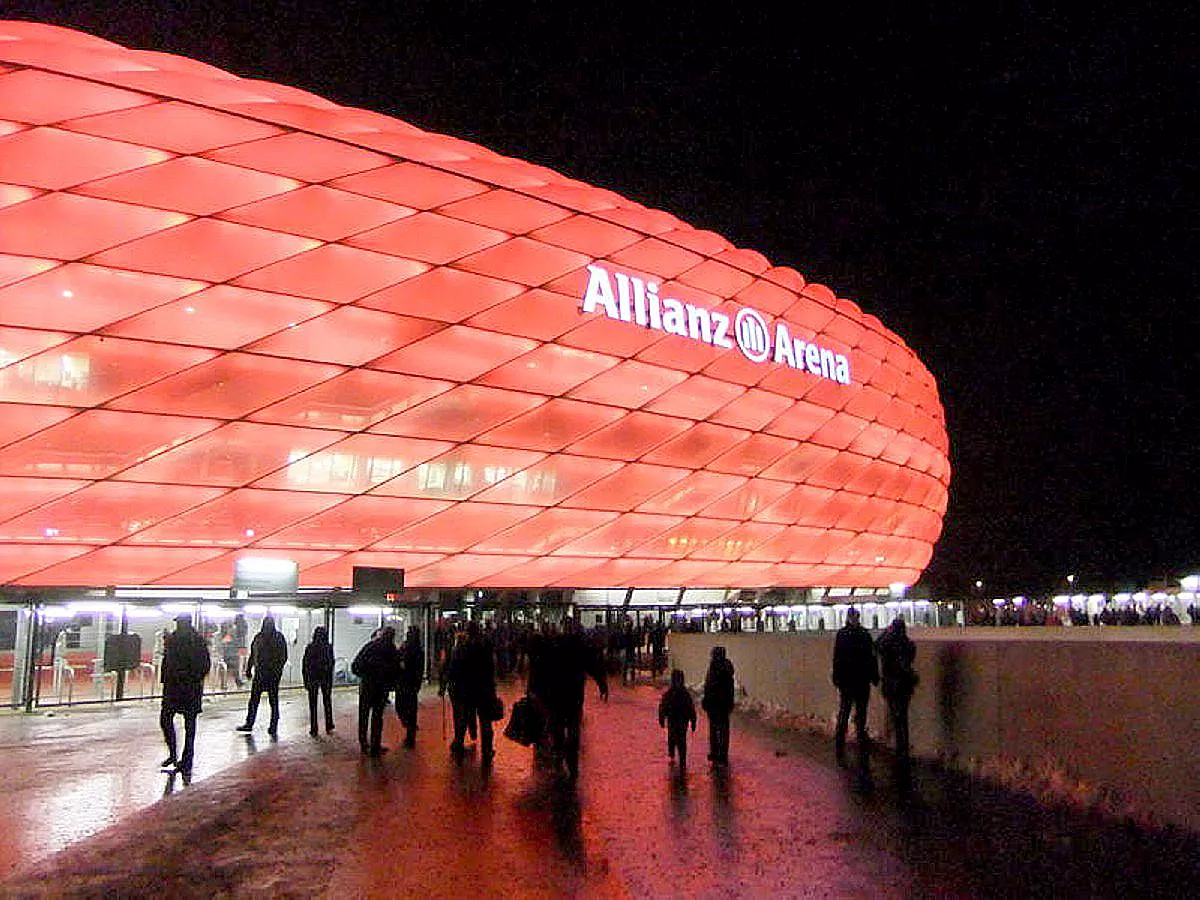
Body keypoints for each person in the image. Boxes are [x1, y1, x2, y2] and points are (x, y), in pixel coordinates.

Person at [159, 614, 211, 778]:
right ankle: (181, 757)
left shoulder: (184, 641)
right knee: (188, 725)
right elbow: (205, 664)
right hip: (188, 688)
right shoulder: (196, 641)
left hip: (178, 687)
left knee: (168, 719)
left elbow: (167, 662)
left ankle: (178, 756)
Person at [440, 621, 498, 763]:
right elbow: (490, 669)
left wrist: (447, 684)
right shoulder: (485, 647)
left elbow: (455, 668)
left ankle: (459, 742)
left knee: (464, 717)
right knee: (485, 722)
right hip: (483, 688)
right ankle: (487, 750)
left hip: (467, 689)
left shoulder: (462, 648)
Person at [832, 607, 879, 772]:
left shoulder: (842, 635)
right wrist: (874, 676)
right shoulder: (864, 635)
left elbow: (837, 658)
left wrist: (837, 677)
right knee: (860, 712)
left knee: (845, 711)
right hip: (861, 680)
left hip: (847, 681)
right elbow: (871, 658)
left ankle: (840, 742)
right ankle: (860, 740)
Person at [236, 616, 288, 737]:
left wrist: (249, 669)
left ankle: (250, 723)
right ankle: (272, 725)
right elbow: (283, 656)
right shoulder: (278, 637)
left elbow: (253, 654)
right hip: (269, 674)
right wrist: (278, 669)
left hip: (262, 673)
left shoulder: (259, 637)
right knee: (272, 700)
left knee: (256, 700)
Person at [875, 616, 917, 765]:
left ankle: (897, 744)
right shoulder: (909, 645)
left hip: (891, 684)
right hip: (905, 684)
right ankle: (903, 745)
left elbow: (877, 645)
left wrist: (886, 632)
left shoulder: (887, 644)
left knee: (894, 714)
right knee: (903, 716)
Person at [352, 626, 399, 756]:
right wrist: (391, 684)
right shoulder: (392, 650)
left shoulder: (370, 646)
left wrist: (365, 675)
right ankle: (375, 745)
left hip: (367, 686)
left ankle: (363, 743)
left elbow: (355, 666)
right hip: (381, 688)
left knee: (364, 714)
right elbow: (396, 670)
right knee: (377, 717)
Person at [701, 645, 735, 766]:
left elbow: (710, 687)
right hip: (722, 704)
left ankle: (717, 752)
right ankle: (721, 753)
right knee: (722, 729)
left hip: (716, 703)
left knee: (715, 729)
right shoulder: (726, 669)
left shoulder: (715, 669)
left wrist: (706, 699)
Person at [658, 668, 697, 769]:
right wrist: (693, 721)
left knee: (673, 738)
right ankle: (681, 759)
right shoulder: (685, 694)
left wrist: (662, 718)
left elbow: (663, 707)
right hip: (682, 721)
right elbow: (691, 708)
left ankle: (673, 755)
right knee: (681, 740)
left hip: (673, 720)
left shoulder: (670, 693)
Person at [302, 625, 335, 737]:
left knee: (313, 704)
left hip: (313, 677)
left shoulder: (310, 647)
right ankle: (329, 724)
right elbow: (332, 663)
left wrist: (305, 680)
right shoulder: (328, 647)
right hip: (325, 677)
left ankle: (314, 727)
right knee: (327, 702)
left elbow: (305, 664)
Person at [396, 625, 425, 748]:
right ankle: (410, 729)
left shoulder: (410, 649)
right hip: (411, 682)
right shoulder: (417, 649)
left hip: (406, 681)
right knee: (409, 708)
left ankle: (410, 731)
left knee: (403, 706)